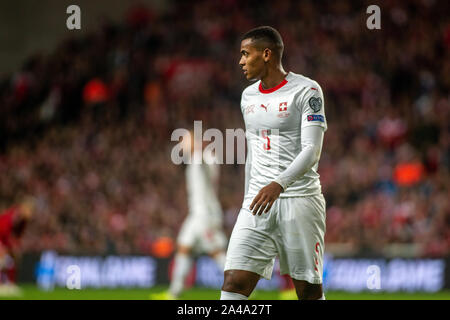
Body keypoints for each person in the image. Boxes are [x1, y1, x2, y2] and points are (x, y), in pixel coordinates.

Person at [220, 26, 327, 300]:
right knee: (233, 281)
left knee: (308, 290)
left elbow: (312, 150)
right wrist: (247, 198)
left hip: (299, 199)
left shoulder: (307, 90)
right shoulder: (248, 96)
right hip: (257, 203)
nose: (240, 61)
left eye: (246, 54)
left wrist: (278, 184)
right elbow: (252, 152)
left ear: (266, 54)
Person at [151, 130, 227, 299]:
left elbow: (206, 171)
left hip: (205, 214)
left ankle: (242, 285)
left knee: (216, 252)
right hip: (197, 214)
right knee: (184, 247)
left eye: (186, 141)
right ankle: (174, 292)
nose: (183, 145)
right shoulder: (197, 158)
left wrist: (196, 149)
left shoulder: (205, 158)